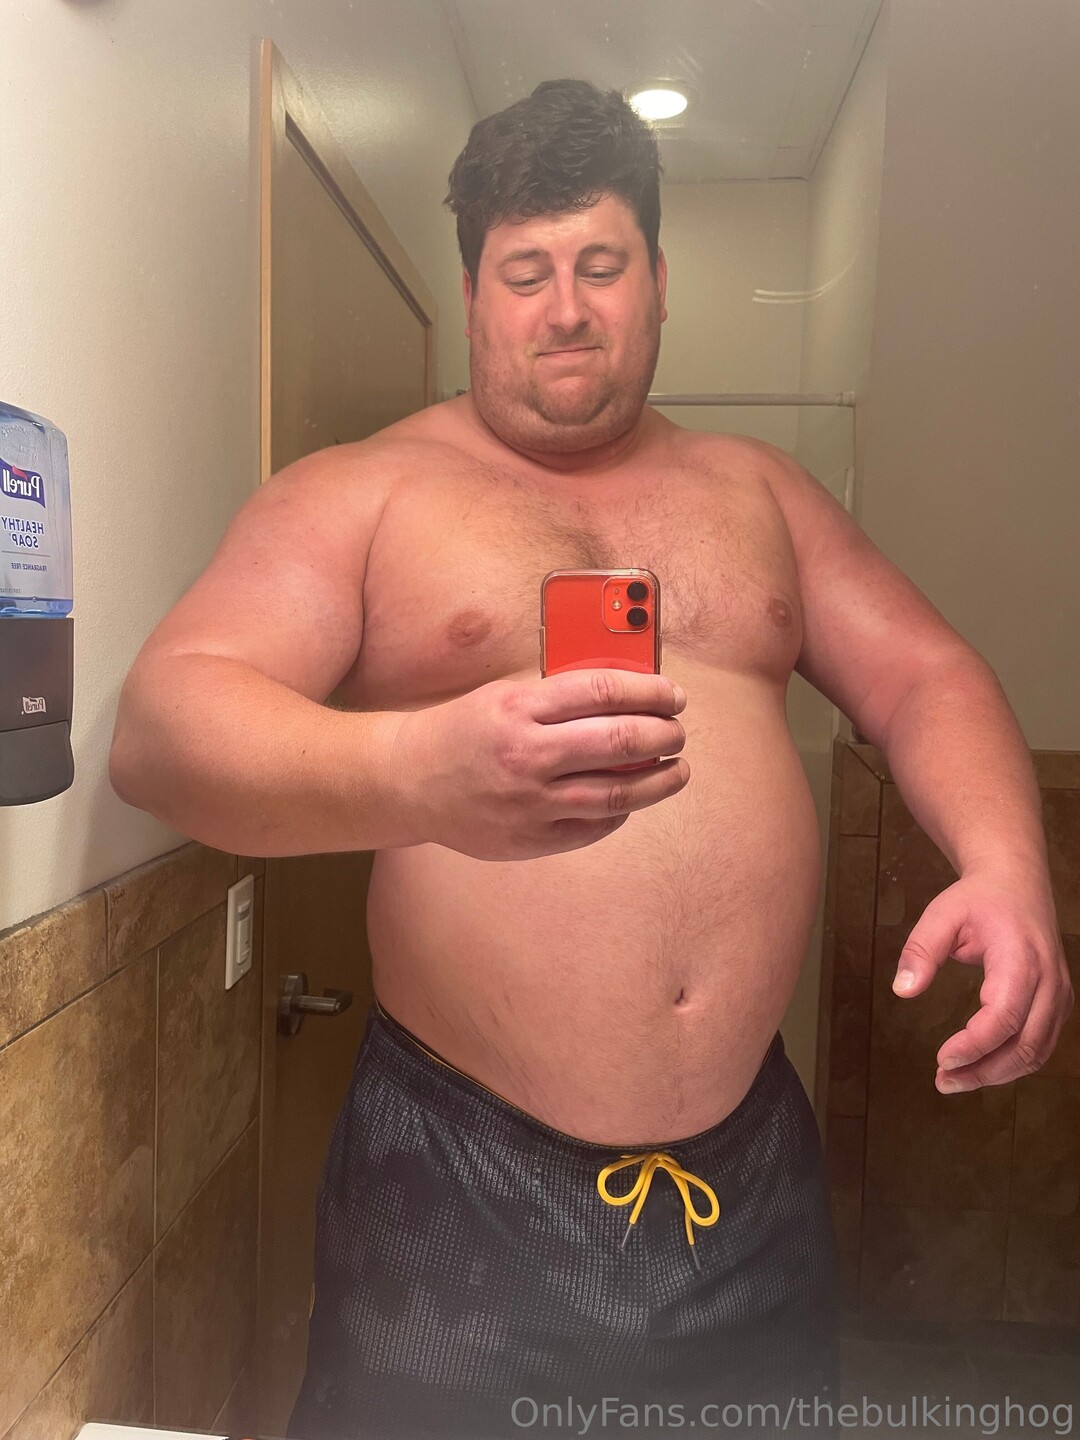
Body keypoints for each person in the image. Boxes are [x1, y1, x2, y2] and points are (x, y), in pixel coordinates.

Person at [110, 79, 1072, 1440]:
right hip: (456, 1185)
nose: (565, 308)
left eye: (601, 265)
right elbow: (163, 727)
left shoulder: (761, 490)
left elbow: (927, 675)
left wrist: (1009, 866)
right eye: (526, 272)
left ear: (660, 283)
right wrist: (418, 772)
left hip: (750, 1184)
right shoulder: (363, 491)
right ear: (472, 295)